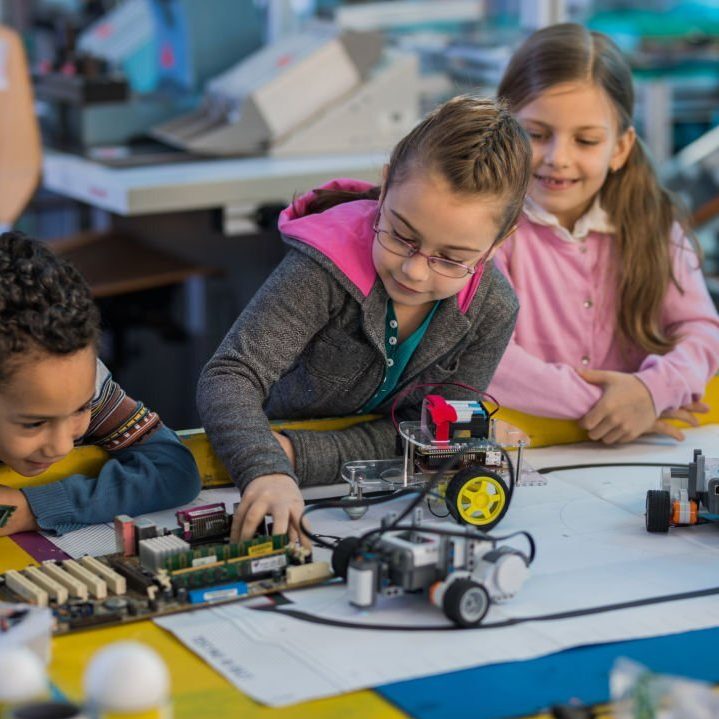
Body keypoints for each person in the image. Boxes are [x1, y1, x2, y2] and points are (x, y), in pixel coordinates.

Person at [197, 95, 531, 543]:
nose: (414, 270)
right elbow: (229, 375)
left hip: (356, 491)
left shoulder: (492, 309)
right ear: (388, 182)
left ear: (497, 243)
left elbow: (435, 442)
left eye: (451, 259)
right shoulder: (322, 269)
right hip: (263, 476)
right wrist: (265, 468)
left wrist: (299, 456)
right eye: (401, 235)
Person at [487, 23, 719, 445]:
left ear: (620, 148)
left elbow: (702, 330)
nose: (559, 158)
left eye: (586, 140)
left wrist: (653, 390)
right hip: (527, 450)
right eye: (536, 134)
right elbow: (491, 361)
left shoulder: (654, 225)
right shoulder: (482, 230)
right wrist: (617, 403)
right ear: (502, 129)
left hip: (631, 448)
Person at [0, 232, 201, 537]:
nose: (62, 446)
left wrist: (32, 508)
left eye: (81, 409)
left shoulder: (84, 380)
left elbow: (174, 471)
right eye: (34, 423)